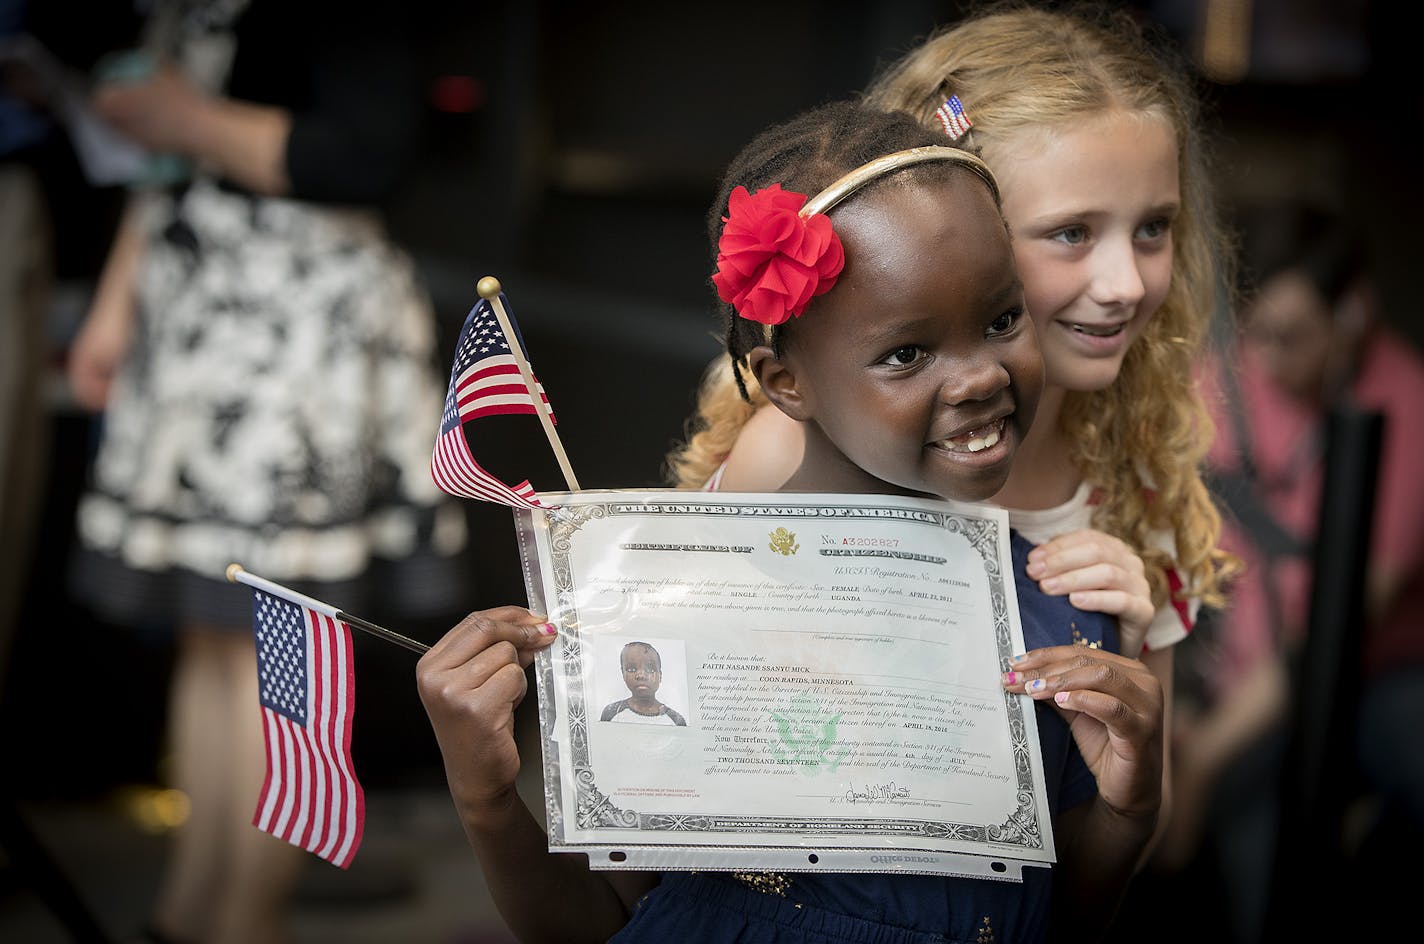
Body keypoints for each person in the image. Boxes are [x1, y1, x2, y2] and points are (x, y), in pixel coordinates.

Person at [417, 100, 1163, 944]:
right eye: (908, 353)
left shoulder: (1059, 611)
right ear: (786, 382)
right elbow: (600, 923)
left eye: (1001, 321)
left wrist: (1129, 811)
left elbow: (1054, 918)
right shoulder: (666, 618)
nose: (980, 376)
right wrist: (485, 800)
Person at [665, 3, 1239, 839]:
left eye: (1154, 228)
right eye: (1071, 233)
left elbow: (1156, 838)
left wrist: (1134, 646)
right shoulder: (787, 458)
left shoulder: (1136, 485)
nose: (1123, 281)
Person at [64, 2, 468, 942]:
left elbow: (368, 155)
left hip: (298, 333)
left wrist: (185, 118)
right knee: (211, 638)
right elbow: (161, 170)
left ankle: (245, 926)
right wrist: (116, 305)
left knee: (271, 641)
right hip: (198, 313)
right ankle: (185, 913)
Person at [1157, 199, 1424, 940]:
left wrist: (1205, 758)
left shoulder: (1405, 402)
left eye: (1292, 336)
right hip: (1230, 676)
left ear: (1353, 314)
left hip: (1369, 679)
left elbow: (1336, 624)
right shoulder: (1220, 382)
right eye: (1257, 331)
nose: (1267, 356)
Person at [600, 641, 688, 726]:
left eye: (650, 669)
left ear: (660, 676)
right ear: (623, 674)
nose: (641, 675)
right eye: (631, 669)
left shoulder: (675, 721)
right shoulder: (611, 713)